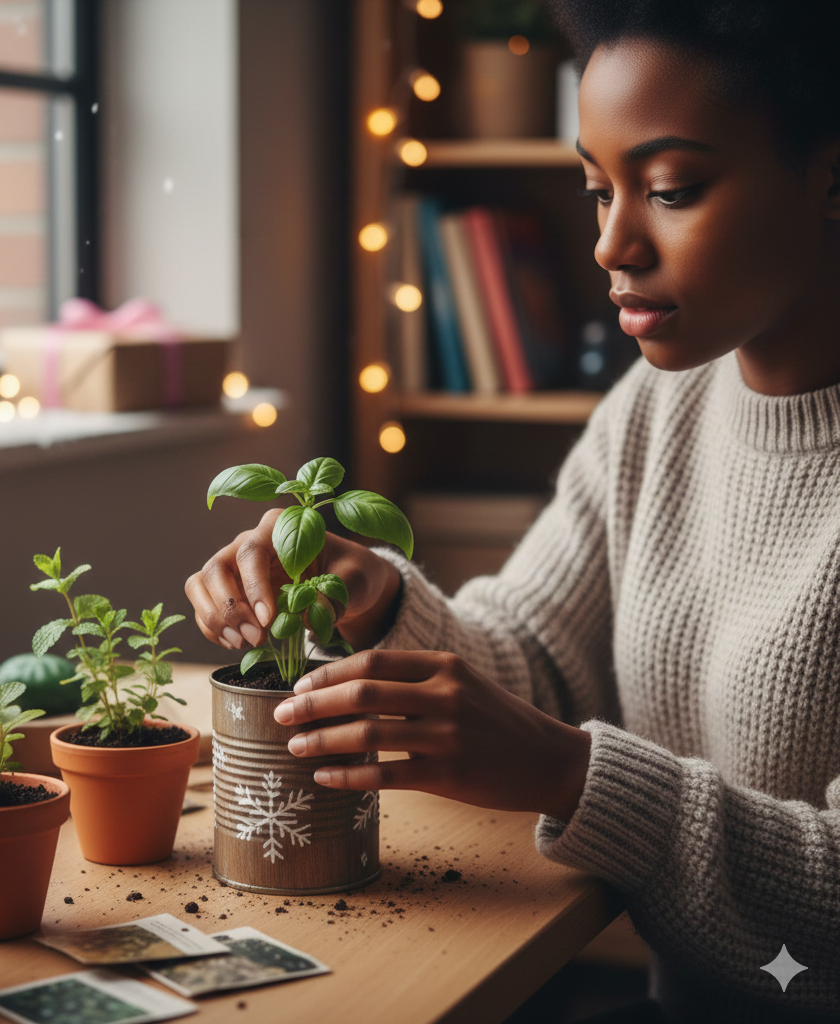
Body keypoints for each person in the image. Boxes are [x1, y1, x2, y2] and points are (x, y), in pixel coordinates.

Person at [186, 2, 840, 1020]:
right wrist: (378, 600)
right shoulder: (657, 406)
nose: (611, 244)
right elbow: (535, 658)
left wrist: (572, 774)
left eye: (670, 189)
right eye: (598, 190)